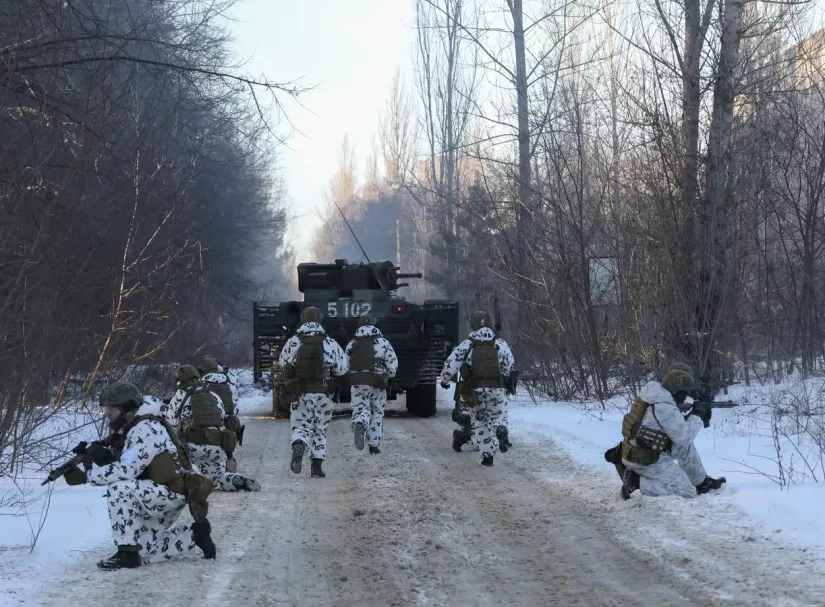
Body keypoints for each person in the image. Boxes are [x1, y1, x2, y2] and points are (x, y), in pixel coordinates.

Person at [62, 381, 216, 570]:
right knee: (144, 551)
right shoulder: (138, 425)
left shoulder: (145, 428)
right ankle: (194, 535)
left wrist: (87, 476)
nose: (107, 413)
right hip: (163, 491)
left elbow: (127, 471)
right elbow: (133, 463)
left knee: (119, 490)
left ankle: (127, 554)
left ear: (126, 407)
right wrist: (101, 457)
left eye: (111, 408)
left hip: (169, 493)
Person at [620, 369, 726, 499]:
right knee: (686, 491)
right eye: (684, 393)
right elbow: (684, 438)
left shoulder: (654, 397)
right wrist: (697, 415)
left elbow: (676, 431)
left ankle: (702, 483)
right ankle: (637, 481)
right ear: (677, 390)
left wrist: (693, 414)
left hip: (642, 451)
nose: (685, 397)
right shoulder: (665, 407)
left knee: (684, 448)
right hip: (645, 461)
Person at [165, 365, 260, 492]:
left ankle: (193, 480)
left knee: (185, 474)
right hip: (217, 447)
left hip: (191, 450)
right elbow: (222, 419)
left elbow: (171, 425)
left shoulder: (180, 396)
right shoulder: (213, 395)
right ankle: (233, 479)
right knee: (217, 477)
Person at [278, 306, 348, 478]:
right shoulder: (329, 342)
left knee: (300, 426)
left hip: (300, 394)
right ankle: (317, 467)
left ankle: (299, 446)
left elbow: (282, 363)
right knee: (320, 429)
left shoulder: (294, 342)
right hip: (324, 394)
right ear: (320, 320)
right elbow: (342, 368)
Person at [439, 311, 515, 466]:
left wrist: (444, 379)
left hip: (475, 392)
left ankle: (488, 457)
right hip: (497, 389)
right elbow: (509, 366)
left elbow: (451, 364)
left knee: (480, 423)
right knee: (498, 417)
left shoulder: (467, 344)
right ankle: (501, 430)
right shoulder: (500, 343)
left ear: (473, 324)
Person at [346, 313, 398, 454]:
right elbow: (393, 365)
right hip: (377, 381)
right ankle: (373, 446)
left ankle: (360, 423)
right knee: (377, 412)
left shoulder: (352, 343)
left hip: (358, 381)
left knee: (360, 408)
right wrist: (389, 376)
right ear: (375, 325)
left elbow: (345, 365)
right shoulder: (384, 343)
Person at [197, 356, 244, 472]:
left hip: (208, 427)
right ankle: (229, 457)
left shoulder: (201, 386)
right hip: (229, 426)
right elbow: (235, 406)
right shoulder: (228, 383)